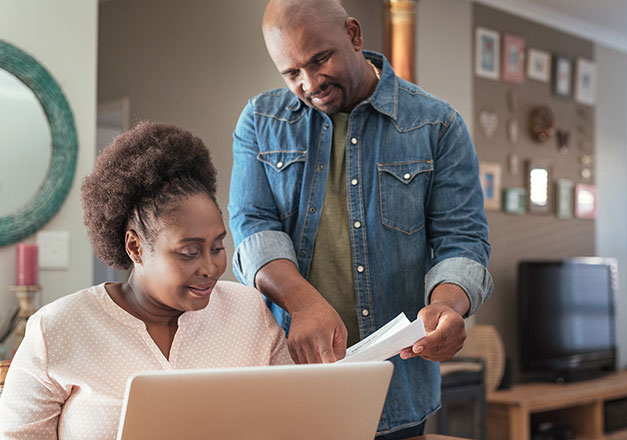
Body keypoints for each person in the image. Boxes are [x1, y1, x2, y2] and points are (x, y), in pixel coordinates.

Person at [228, 0, 494, 437]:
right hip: (286, 378)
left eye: (319, 60)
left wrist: (447, 306)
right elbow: (253, 228)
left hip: (397, 385)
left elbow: (462, 240)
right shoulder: (260, 121)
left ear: (354, 34)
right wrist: (304, 304)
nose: (310, 83)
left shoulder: (437, 125)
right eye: (291, 73)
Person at [0, 122, 292, 439]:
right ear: (136, 247)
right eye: (190, 252)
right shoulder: (57, 328)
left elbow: (296, 418)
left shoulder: (248, 311)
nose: (210, 267)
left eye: (217, 247)